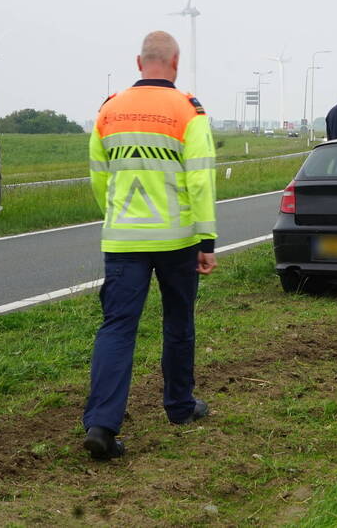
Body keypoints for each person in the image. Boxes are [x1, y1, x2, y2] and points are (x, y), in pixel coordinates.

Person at [82, 31, 218, 460]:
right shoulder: (188, 111)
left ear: (139, 63)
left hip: (123, 240)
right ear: (175, 63)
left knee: (117, 329)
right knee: (178, 323)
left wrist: (119, 215)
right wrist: (206, 239)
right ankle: (179, 407)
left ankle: (101, 425)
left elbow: (99, 178)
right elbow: (200, 179)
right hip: (177, 239)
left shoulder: (109, 110)